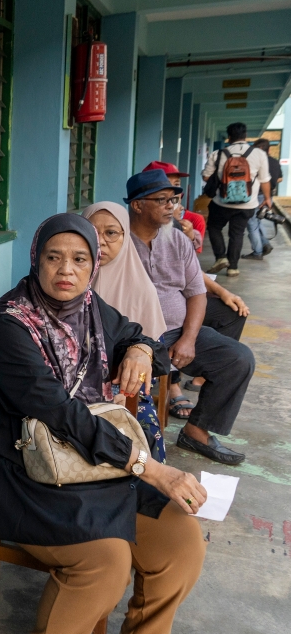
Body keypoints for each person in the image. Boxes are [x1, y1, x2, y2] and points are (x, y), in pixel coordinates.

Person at [0, 214, 206, 634]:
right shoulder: (12, 326)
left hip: (88, 459)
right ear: (36, 260)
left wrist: (139, 349)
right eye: (54, 257)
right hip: (12, 464)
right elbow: (61, 413)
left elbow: (142, 339)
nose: (67, 270)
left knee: (182, 541)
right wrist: (151, 468)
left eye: (80, 259)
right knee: (106, 562)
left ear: (93, 266)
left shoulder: (91, 309)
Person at [127, 170, 255, 464]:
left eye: (173, 199)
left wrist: (189, 338)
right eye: (161, 200)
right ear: (137, 205)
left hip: (174, 332)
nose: (171, 206)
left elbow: (196, 292)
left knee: (238, 358)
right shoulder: (116, 242)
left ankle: (196, 431)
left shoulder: (177, 241)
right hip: (133, 338)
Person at [141, 162, 250, 405]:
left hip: (181, 301)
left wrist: (222, 292)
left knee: (231, 312)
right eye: (163, 195)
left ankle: (199, 375)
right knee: (171, 330)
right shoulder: (125, 233)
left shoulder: (181, 225)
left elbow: (192, 276)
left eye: (175, 192)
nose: (171, 201)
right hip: (157, 322)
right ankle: (174, 385)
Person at [82, 201, 169, 462]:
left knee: (138, 425)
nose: (101, 242)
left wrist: (121, 389)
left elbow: (156, 357)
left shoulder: (141, 290)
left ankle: (148, 494)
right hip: (69, 385)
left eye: (111, 233)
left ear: (125, 238)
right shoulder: (68, 279)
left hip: (123, 386)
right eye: (92, 232)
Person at [202, 122, 271, 276]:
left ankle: (221, 257)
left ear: (229, 137)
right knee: (237, 234)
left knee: (214, 227)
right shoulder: (259, 154)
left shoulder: (218, 154)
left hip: (222, 202)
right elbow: (265, 179)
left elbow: (206, 177)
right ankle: (233, 268)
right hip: (248, 203)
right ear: (245, 136)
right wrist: (267, 198)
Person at [242, 138, 281, 260]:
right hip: (269, 196)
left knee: (252, 224)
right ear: (269, 149)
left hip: (256, 195)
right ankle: (265, 244)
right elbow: (280, 179)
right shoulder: (275, 162)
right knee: (258, 222)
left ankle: (258, 252)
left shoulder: (256, 160)